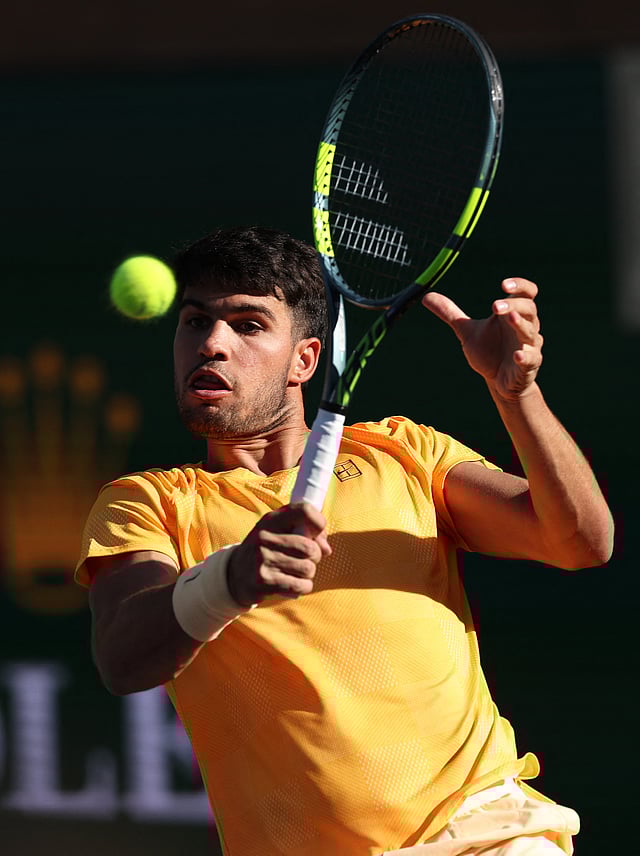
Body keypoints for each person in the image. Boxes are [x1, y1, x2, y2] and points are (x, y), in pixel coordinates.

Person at [76, 225, 613, 856]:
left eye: (247, 325)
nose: (212, 344)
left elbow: (580, 541)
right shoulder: (147, 503)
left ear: (304, 360)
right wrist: (229, 580)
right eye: (196, 322)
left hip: (483, 832)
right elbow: (123, 656)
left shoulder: (405, 453)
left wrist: (517, 395)